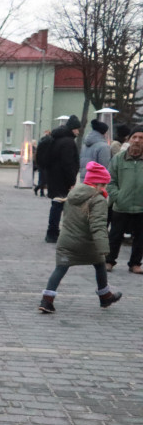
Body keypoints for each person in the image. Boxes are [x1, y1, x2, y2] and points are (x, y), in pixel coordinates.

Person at [39, 162, 122, 312]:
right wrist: (104, 247)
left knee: (60, 268)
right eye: (104, 184)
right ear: (98, 183)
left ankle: (46, 301)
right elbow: (98, 226)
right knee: (100, 263)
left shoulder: (73, 194)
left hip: (66, 241)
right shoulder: (98, 200)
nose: (105, 188)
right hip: (86, 243)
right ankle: (105, 296)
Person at [105, 126, 143, 274]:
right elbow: (110, 181)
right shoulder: (118, 159)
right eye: (135, 137)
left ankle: (135, 264)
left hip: (141, 206)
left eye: (141, 138)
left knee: (140, 238)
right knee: (115, 235)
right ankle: (109, 261)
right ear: (129, 139)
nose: (137, 140)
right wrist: (117, 196)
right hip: (121, 205)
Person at [45, 116, 81, 243]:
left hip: (53, 177)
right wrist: (71, 180)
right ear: (72, 129)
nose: (78, 132)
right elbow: (68, 163)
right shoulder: (68, 142)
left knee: (57, 204)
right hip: (62, 179)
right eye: (77, 129)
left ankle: (53, 231)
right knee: (58, 205)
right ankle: (52, 232)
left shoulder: (56, 138)